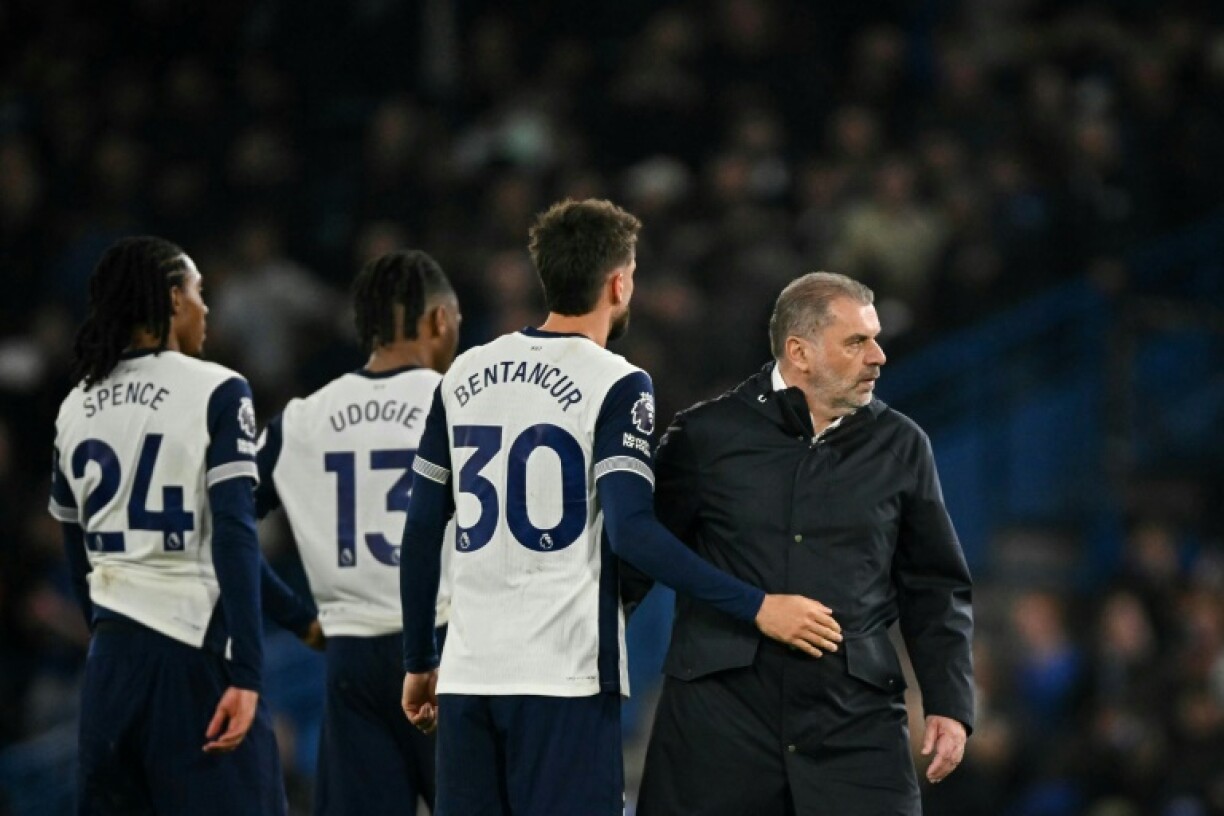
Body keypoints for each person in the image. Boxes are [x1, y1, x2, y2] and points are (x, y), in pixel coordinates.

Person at [398, 199, 841, 816]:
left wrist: (419, 659)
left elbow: (421, 528)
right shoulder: (616, 381)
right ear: (619, 282)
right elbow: (633, 534)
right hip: (564, 679)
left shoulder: (464, 372)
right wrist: (757, 605)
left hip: (469, 678)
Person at [630, 271, 975, 816]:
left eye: (876, 337)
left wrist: (949, 703)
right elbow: (639, 557)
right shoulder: (707, 437)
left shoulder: (902, 445)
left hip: (854, 724)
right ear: (800, 352)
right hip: (720, 727)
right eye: (857, 341)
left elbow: (934, 584)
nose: (879, 355)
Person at [46, 236, 286, 815]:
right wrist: (247, 673)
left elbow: (79, 561)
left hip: (110, 669)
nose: (206, 308)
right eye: (200, 292)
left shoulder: (75, 404)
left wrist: (107, 640)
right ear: (175, 300)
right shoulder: (219, 389)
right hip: (192, 655)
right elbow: (234, 533)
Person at [254, 250, 461, 815]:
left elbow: (219, 528)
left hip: (350, 660)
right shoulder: (465, 407)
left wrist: (295, 615)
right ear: (439, 319)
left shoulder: (299, 419)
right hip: (448, 649)